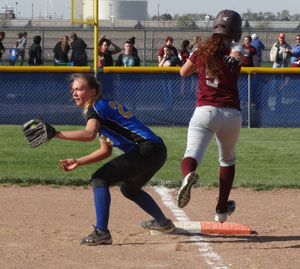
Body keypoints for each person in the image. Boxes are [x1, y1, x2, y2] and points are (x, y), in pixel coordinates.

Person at [54, 73, 175, 245]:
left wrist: (56, 134)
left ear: (92, 91)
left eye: (79, 89)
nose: (74, 93)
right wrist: (79, 161)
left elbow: (89, 134)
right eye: (73, 90)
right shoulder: (101, 108)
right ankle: (163, 223)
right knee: (129, 189)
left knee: (99, 178)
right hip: (156, 151)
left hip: (146, 150)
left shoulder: (95, 107)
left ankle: (102, 232)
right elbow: (105, 151)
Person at [176, 9, 244, 224]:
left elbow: (183, 72)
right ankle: (221, 210)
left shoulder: (202, 49)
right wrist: (233, 59)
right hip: (231, 113)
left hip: (205, 111)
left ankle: (188, 175)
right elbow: (237, 54)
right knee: (227, 159)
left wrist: (198, 57)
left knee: (192, 153)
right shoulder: (236, 47)